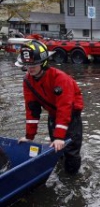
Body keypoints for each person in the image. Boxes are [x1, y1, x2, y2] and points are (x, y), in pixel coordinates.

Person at [15, 40, 84, 175]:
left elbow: (65, 108)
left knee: (71, 151)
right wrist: (29, 136)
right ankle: (59, 168)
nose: (30, 68)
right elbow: (31, 110)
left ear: (43, 62)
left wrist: (59, 136)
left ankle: (72, 178)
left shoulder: (60, 79)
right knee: (56, 148)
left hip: (71, 116)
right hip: (53, 114)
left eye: (34, 64)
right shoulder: (28, 81)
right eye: (27, 64)